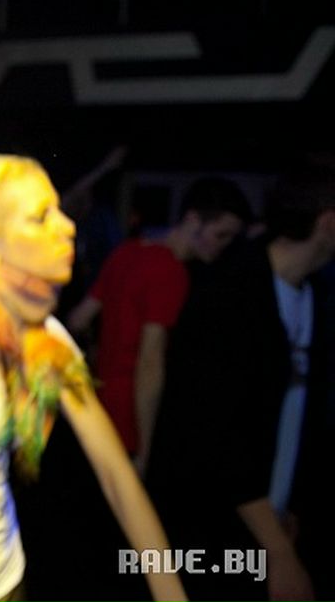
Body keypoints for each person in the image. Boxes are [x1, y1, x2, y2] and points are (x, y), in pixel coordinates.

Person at [0, 154, 187, 602]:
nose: (68, 226)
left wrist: (169, 588)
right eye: (41, 217)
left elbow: (116, 474)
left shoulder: (43, 338)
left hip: (6, 574)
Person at [147, 159, 335, 601]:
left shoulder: (316, 296)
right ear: (328, 222)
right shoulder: (227, 294)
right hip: (211, 532)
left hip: (271, 526)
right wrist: (277, 551)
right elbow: (216, 439)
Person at [67, 176, 252, 470]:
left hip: (97, 406)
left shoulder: (127, 251)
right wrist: (145, 447)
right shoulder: (171, 271)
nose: (223, 246)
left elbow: (78, 319)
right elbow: (150, 363)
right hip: (130, 416)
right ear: (192, 220)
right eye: (221, 235)